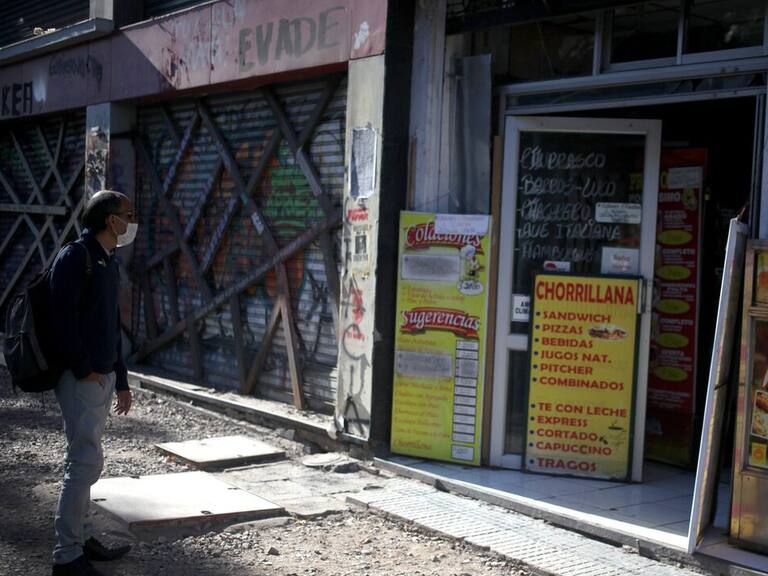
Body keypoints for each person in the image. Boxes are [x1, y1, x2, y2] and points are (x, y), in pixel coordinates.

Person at [50, 190, 137, 576]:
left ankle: (82, 540)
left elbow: (110, 326)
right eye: (127, 214)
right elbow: (61, 320)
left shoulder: (107, 261)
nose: (131, 221)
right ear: (109, 220)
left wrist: (121, 379)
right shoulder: (76, 257)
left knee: (88, 462)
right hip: (81, 378)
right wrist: (84, 368)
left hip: (100, 377)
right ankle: (66, 556)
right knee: (83, 464)